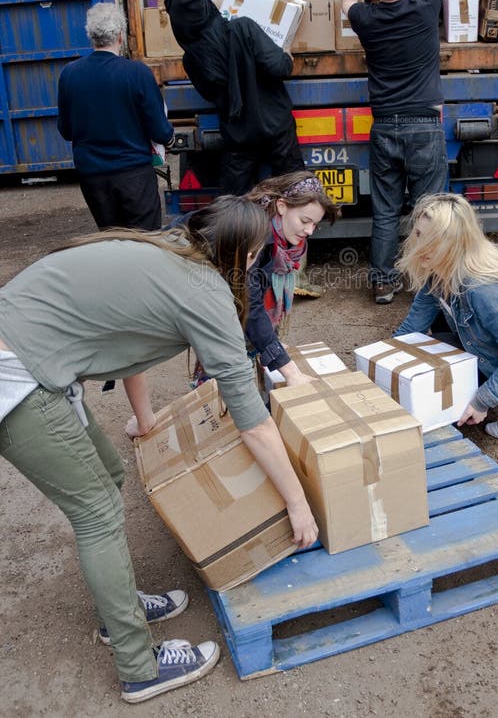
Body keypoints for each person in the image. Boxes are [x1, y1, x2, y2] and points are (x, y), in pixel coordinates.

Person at [0, 197, 318, 703]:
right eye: (258, 254)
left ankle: (118, 606)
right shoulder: (206, 291)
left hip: (28, 348)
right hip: (17, 378)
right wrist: (299, 503)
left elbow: (123, 330)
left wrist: (147, 419)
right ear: (244, 252)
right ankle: (138, 666)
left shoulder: (171, 246)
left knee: (109, 474)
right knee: (97, 511)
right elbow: (251, 420)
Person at [342, 0, 447, 304]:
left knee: (385, 210)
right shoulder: (424, 7)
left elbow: (346, 1)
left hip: (385, 126)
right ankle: (432, 284)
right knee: (431, 210)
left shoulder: (366, 19)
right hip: (424, 125)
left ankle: (383, 283)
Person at [393, 193, 498, 440]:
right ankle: (484, 378)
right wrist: (381, 360)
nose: (420, 246)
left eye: (433, 239)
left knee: (461, 361)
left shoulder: (481, 289)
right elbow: (412, 326)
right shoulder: (439, 271)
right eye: (418, 234)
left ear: (455, 242)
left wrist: (482, 401)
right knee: (432, 341)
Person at [164, 0, 305, 195]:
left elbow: (210, 95)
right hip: (277, 127)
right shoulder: (243, 27)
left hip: (239, 137)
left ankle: (244, 229)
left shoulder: (192, 60)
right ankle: (299, 225)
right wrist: (286, 54)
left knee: (235, 202)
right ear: (206, 7)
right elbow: (279, 68)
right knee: (297, 190)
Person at [57, 2, 175, 232]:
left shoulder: (69, 74)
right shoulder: (136, 72)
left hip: (92, 177)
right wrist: (170, 141)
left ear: (91, 36)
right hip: (134, 173)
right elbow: (159, 129)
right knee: (146, 242)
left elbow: (66, 130)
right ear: (121, 36)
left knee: (110, 240)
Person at [245, 172, 340, 383]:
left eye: (315, 224)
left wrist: (272, 345)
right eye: (305, 221)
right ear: (281, 206)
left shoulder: (282, 239)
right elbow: (249, 304)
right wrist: (289, 371)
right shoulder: (253, 237)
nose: (310, 231)